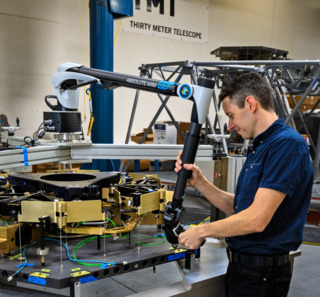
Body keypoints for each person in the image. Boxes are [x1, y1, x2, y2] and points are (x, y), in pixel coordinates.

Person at [175, 72, 313, 297]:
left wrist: (202, 230)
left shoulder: (286, 145)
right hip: (244, 269)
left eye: (231, 115)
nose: (230, 126)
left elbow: (256, 219)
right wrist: (200, 182)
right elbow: (240, 207)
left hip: (262, 276)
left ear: (250, 104)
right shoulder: (261, 145)